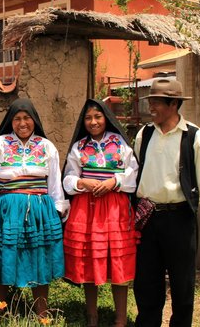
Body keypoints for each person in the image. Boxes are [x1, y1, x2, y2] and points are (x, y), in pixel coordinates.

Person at [133, 79, 200, 327]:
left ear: (173, 104)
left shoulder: (194, 137)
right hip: (148, 218)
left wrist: (188, 205)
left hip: (180, 217)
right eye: (150, 101)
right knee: (147, 281)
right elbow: (139, 169)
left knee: (182, 283)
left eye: (156, 102)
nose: (151, 107)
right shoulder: (144, 134)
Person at [0, 98, 69, 316]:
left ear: (34, 120)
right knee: (2, 256)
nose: (22, 123)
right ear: (11, 121)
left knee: (40, 258)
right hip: (7, 210)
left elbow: (54, 183)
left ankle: (42, 313)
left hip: (40, 211)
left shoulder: (46, 147)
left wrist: (55, 211)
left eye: (27, 118)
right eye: (17, 118)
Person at [62, 99, 139, 327]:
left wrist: (114, 181)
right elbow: (67, 179)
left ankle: (120, 318)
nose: (93, 122)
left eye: (97, 116)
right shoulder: (79, 147)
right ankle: (92, 317)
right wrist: (82, 182)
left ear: (106, 118)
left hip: (115, 208)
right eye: (88, 118)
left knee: (118, 261)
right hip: (87, 209)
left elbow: (133, 174)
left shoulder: (121, 145)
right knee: (88, 260)